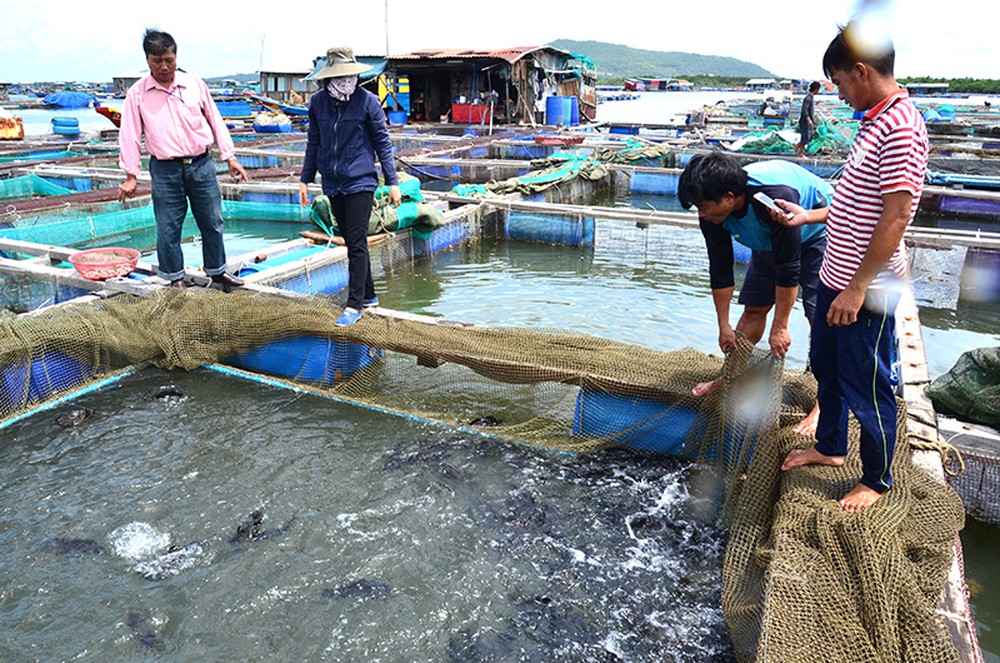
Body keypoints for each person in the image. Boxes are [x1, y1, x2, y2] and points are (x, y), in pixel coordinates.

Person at [779, 21, 929, 512]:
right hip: (836, 279)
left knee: (867, 384)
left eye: (840, 83)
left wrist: (858, 287)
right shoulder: (874, 121)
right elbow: (854, 201)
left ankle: (878, 479)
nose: (839, 95)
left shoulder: (902, 127)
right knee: (828, 369)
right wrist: (810, 215)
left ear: (862, 72)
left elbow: (897, 215)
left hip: (866, 288)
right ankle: (830, 446)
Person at [678, 151, 833, 435]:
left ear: (728, 197)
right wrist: (723, 324)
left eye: (702, 206)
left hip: (818, 234)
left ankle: (824, 406)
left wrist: (781, 327)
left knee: (818, 317)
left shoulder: (773, 201)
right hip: (770, 241)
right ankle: (730, 376)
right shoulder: (713, 215)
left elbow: (789, 269)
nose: (700, 214)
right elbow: (721, 268)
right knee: (754, 309)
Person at [117, 29, 247, 291]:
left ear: (176, 57)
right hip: (165, 170)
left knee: (212, 220)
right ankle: (174, 277)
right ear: (147, 60)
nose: (164, 67)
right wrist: (131, 175)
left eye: (169, 60)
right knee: (168, 226)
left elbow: (215, 119)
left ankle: (218, 271)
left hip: (201, 164)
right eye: (157, 61)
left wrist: (229, 157)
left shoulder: (194, 84)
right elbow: (129, 134)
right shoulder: (138, 93)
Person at [298, 46, 401, 326]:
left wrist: (393, 182)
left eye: (348, 76)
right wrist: (305, 180)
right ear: (328, 77)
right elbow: (313, 143)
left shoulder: (368, 102)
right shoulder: (318, 103)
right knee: (351, 241)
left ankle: (354, 305)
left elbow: (383, 143)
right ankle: (368, 295)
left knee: (356, 242)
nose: (344, 82)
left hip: (361, 181)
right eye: (338, 77)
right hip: (332, 182)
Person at [796, 81, 821, 157]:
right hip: (805, 121)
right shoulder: (808, 98)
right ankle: (801, 153)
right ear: (816, 89)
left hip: (807, 121)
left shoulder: (810, 98)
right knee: (805, 136)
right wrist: (808, 119)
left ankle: (797, 146)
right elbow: (805, 109)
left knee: (808, 137)